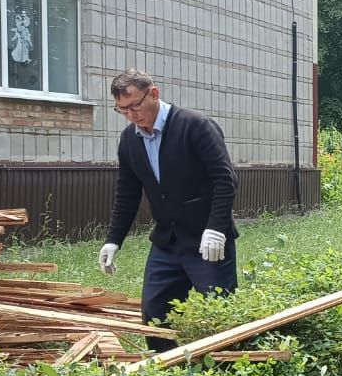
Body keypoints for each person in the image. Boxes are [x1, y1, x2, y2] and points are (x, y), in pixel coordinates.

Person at [100, 69, 238, 352]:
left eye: (135, 105)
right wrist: (114, 240)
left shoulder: (195, 126)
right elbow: (127, 193)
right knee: (154, 311)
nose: (131, 115)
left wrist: (215, 228)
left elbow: (225, 179)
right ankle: (165, 371)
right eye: (122, 110)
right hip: (167, 241)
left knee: (219, 312)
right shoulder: (130, 140)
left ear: (154, 93)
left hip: (207, 241)